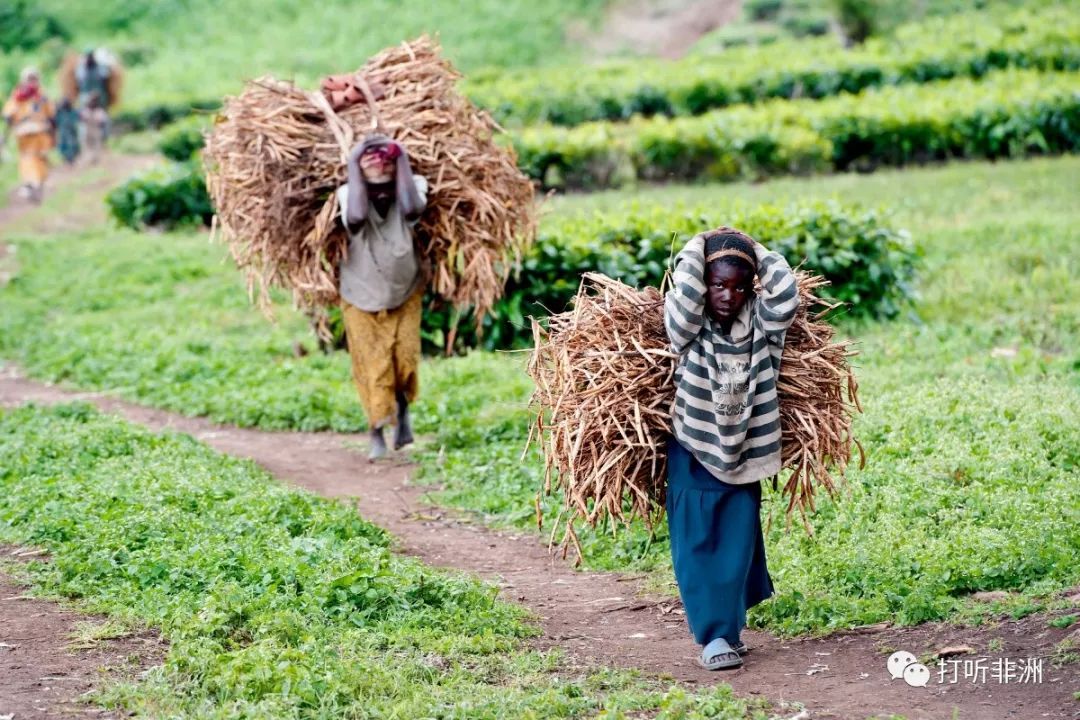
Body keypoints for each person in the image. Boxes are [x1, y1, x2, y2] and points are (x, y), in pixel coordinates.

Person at [663, 227, 800, 671]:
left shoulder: (763, 327)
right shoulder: (690, 329)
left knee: (737, 545)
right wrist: (697, 248)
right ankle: (713, 636)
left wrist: (754, 249)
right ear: (703, 284)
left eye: (740, 286)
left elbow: (786, 295)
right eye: (718, 284)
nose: (728, 295)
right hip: (695, 449)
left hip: (745, 454)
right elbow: (681, 305)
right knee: (699, 544)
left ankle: (729, 630)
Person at [336, 134, 429, 460]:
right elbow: (358, 218)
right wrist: (354, 161)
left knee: (404, 359)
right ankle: (375, 429)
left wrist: (400, 156)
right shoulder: (349, 193)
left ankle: (402, 412)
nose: (379, 164)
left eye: (385, 160)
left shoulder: (413, 187)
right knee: (372, 364)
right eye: (369, 160)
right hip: (359, 294)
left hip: (405, 292)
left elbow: (410, 208)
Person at [2, 67, 55, 204]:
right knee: (29, 159)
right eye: (30, 79)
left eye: (34, 79)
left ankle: (34, 185)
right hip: (27, 133)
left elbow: (8, 115)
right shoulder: (21, 95)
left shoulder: (38, 95)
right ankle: (32, 184)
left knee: (37, 159)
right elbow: (9, 115)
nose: (32, 82)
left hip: (38, 133)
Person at [79, 92, 109, 164]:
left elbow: (103, 123)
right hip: (88, 129)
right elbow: (81, 119)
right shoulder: (87, 109)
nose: (92, 102)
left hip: (95, 129)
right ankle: (89, 159)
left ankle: (94, 160)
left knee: (96, 145)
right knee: (88, 145)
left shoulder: (99, 111)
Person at [54, 98, 80, 165]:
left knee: (72, 145)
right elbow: (55, 122)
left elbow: (76, 120)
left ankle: (71, 160)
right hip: (63, 132)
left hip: (71, 132)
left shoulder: (73, 112)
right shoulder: (60, 113)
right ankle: (67, 159)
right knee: (63, 146)